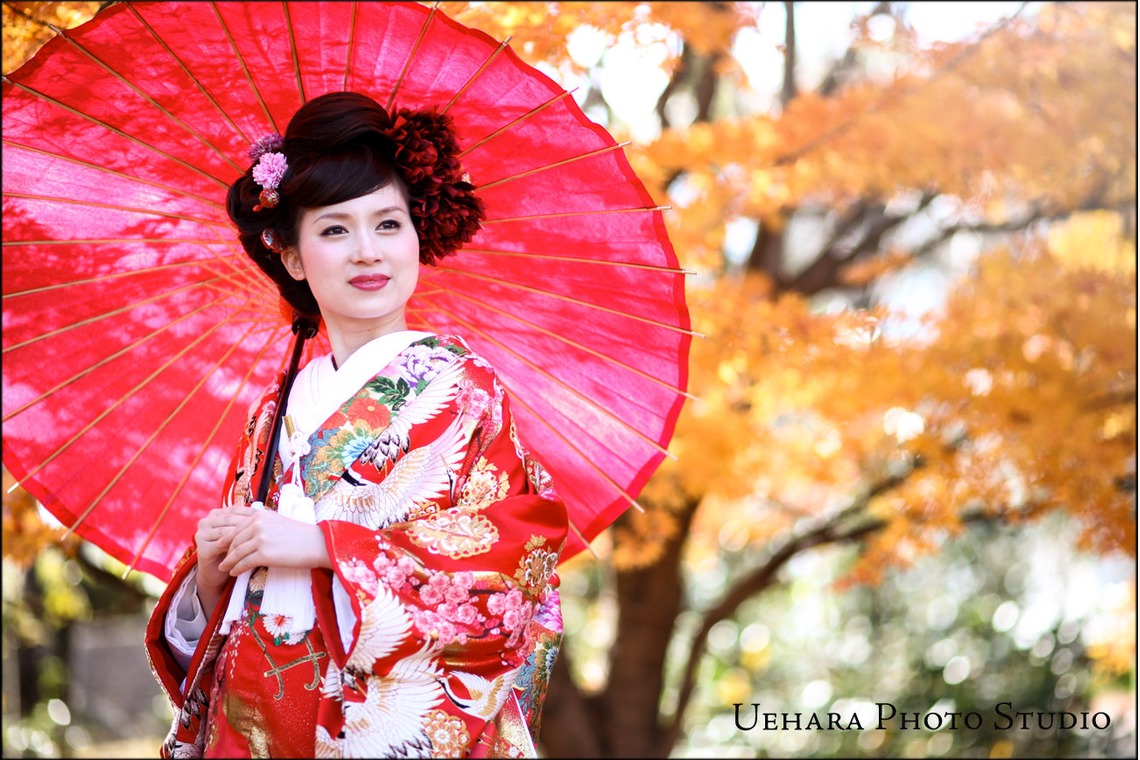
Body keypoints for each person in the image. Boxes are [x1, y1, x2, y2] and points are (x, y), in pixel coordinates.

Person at [144, 91, 568, 759]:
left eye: (388, 225)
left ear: (416, 237)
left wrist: (322, 547)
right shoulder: (272, 412)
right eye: (335, 229)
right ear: (291, 256)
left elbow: (518, 571)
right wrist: (209, 575)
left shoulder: (462, 389)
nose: (367, 252)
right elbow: (229, 624)